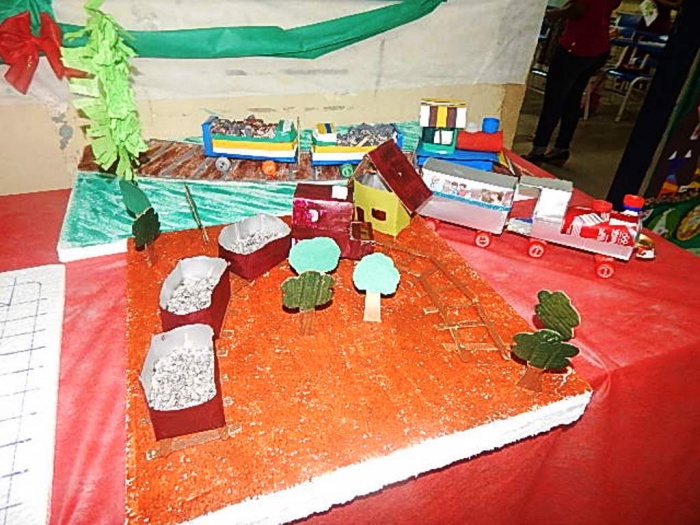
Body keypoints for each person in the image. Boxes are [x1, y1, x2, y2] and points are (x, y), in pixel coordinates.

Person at [524, 0, 622, 166]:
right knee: (573, 99)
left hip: (575, 46)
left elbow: (579, 8)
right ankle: (561, 149)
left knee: (554, 100)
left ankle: (538, 150)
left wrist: (557, 14)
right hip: (598, 47)